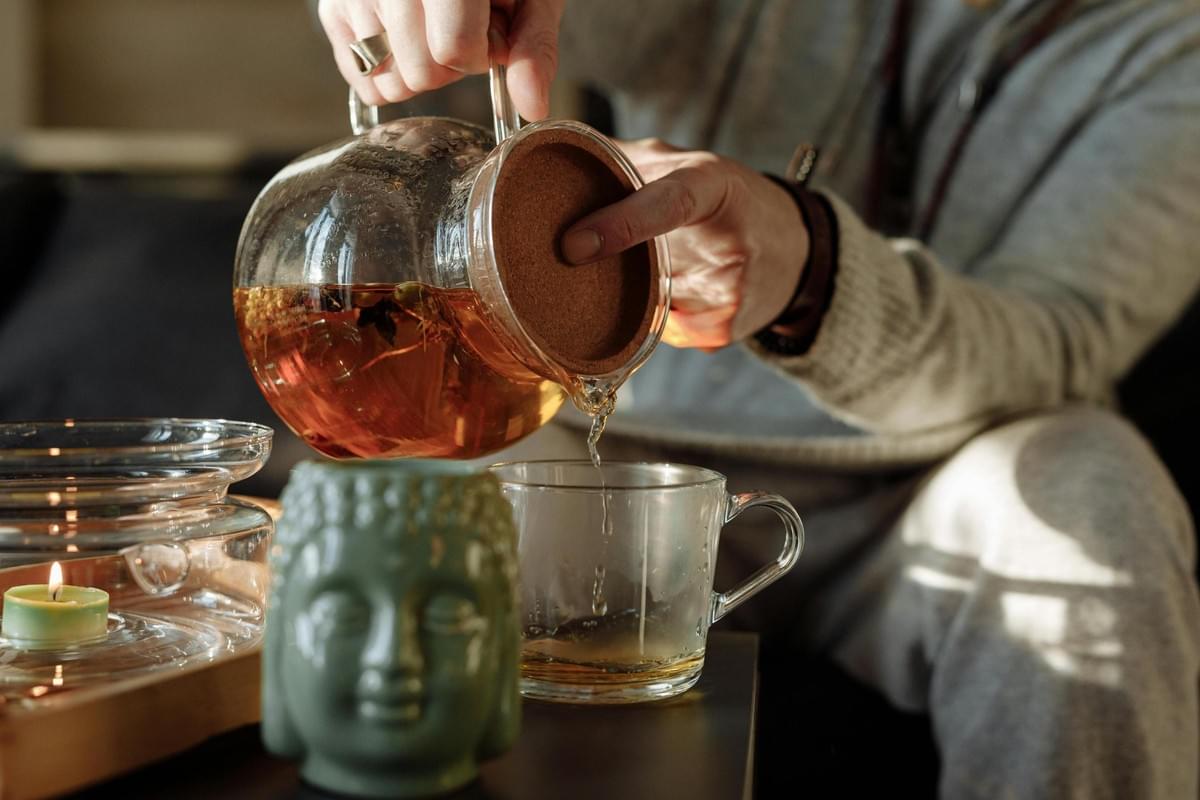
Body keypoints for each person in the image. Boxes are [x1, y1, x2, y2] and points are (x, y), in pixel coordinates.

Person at [314, 1, 1200, 797]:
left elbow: (1055, 343)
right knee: (390, 506)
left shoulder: (1172, 52)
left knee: (1095, 493)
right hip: (612, 453)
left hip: (939, 482)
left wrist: (805, 270)